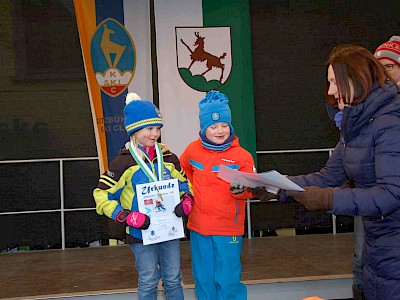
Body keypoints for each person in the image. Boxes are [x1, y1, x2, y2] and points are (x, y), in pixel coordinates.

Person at [281, 45, 400, 300]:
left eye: (335, 82)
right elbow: (327, 177)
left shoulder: (390, 124)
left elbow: (391, 194)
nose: (331, 91)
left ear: (357, 79)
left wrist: (329, 199)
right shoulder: (356, 126)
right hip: (378, 249)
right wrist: (278, 187)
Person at [93, 92, 193, 300]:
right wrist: (126, 216)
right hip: (140, 233)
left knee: (173, 278)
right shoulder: (123, 163)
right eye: (149, 128)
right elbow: (102, 195)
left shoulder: (168, 157)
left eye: (158, 128)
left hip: (170, 230)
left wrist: (187, 200)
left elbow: (185, 184)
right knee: (148, 280)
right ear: (134, 130)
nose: (155, 133)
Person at [179, 90, 256, 300]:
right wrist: (185, 192)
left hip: (227, 227)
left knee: (228, 278)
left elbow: (252, 187)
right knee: (203, 278)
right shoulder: (192, 151)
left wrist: (243, 190)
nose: (219, 130)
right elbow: (182, 171)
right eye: (213, 126)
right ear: (204, 128)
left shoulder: (242, 156)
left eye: (224, 125)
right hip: (199, 227)